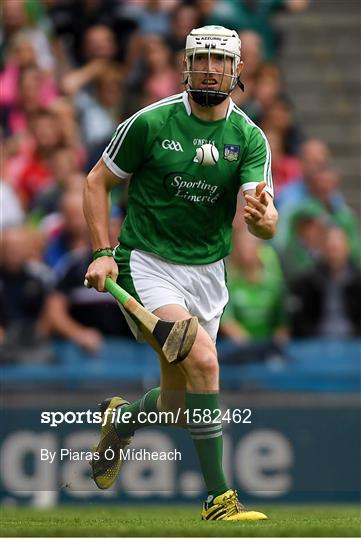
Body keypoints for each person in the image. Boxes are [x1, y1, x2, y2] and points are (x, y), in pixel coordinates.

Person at [84, 25, 277, 521]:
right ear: (185, 65)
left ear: (238, 71)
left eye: (220, 60)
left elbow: (262, 216)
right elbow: (96, 183)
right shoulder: (151, 123)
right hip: (146, 263)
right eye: (201, 58)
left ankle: (122, 420)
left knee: (175, 405)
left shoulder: (249, 138)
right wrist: (104, 250)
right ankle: (219, 499)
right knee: (208, 363)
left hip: (208, 273)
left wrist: (265, 222)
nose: (210, 68)